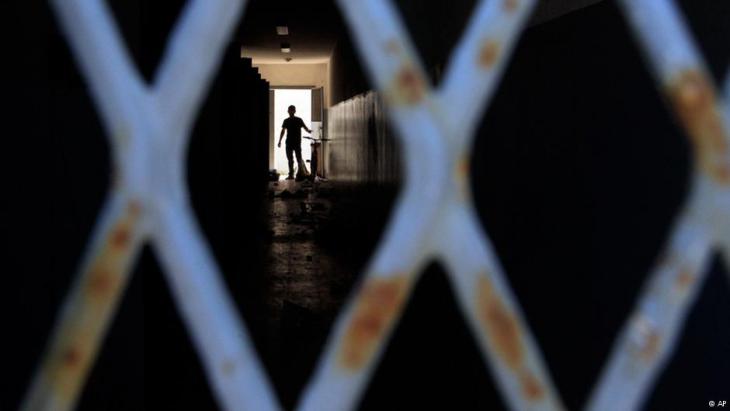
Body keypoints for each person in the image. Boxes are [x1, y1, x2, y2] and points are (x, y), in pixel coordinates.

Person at [278, 105, 312, 180]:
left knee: (298, 159)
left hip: (296, 143)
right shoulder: (286, 121)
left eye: (292, 110)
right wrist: (280, 141)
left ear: (294, 111)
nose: (290, 111)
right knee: (291, 159)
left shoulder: (299, 120)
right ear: (288, 111)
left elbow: (305, 128)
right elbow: (283, 131)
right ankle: (291, 175)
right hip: (290, 143)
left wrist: (309, 131)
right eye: (290, 110)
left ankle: (300, 174)